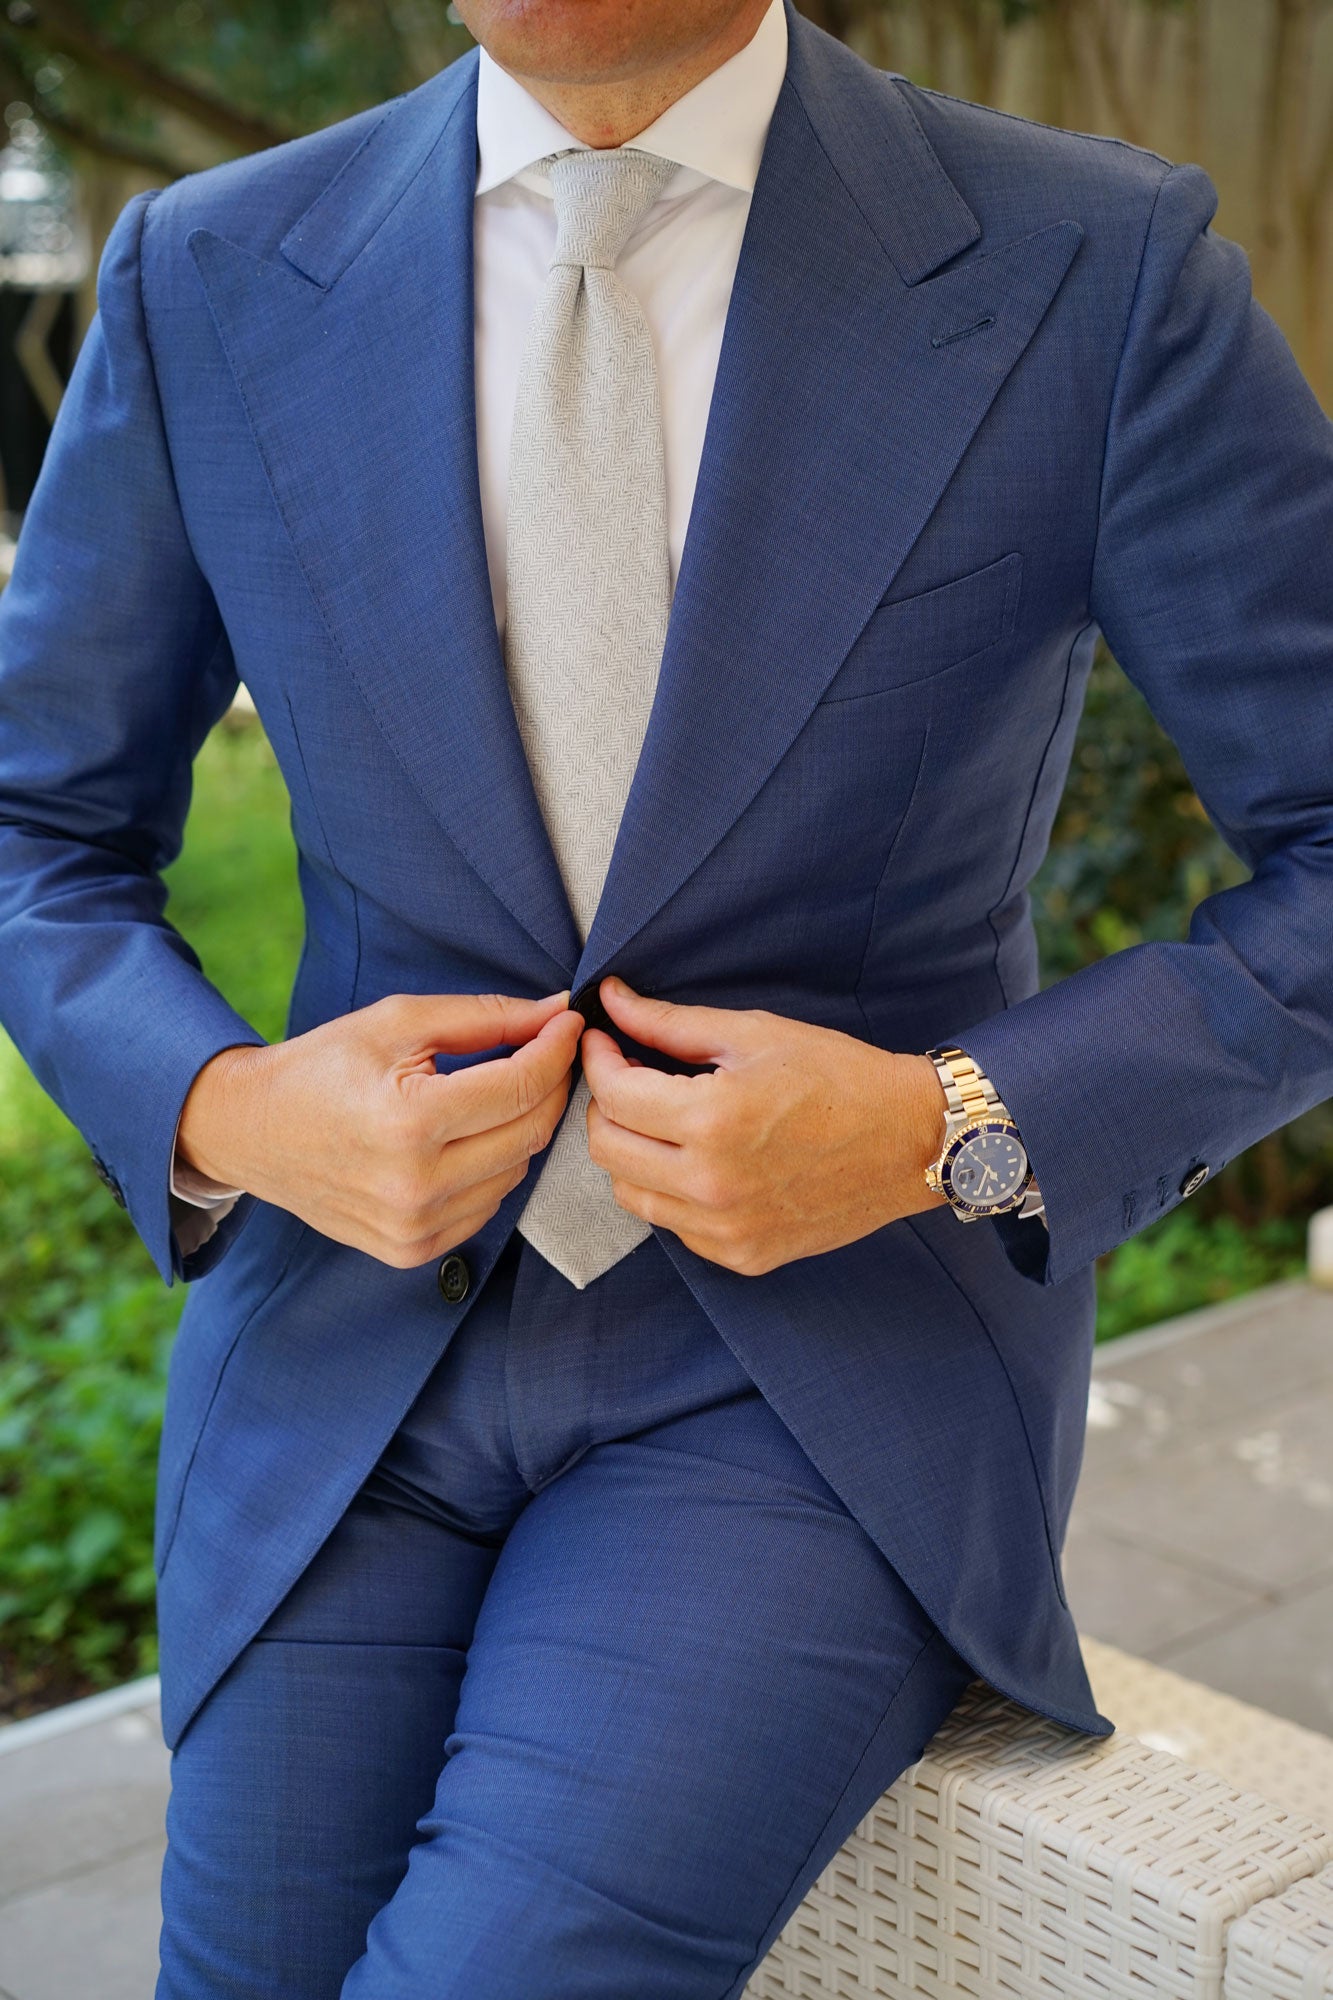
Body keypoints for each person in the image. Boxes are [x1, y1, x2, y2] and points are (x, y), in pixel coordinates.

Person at [0, 0, 1330, 1991]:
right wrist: (235, 1109)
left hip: (818, 1371)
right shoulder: (208, 267)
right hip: (341, 1346)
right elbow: (33, 818)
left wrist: (937, 1123)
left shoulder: (1091, 261)